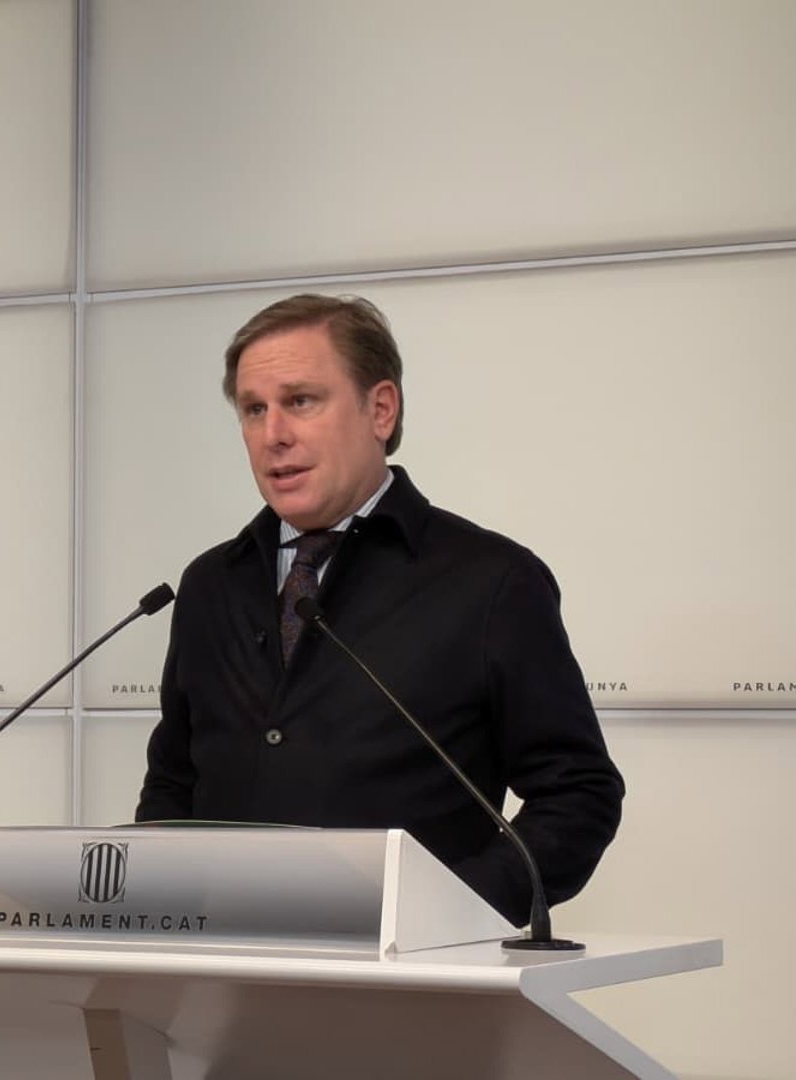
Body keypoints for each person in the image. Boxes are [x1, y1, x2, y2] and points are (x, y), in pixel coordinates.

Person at [135, 293, 624, 926]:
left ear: (381, 409)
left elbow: (578, 793)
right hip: (220, 960)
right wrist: (155, 910)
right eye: (254, 409)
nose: (273, 434)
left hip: (405, 968)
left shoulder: (491, 581)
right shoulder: (210, 585)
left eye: (300, 401)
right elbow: (174, 782)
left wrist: (448, 911)